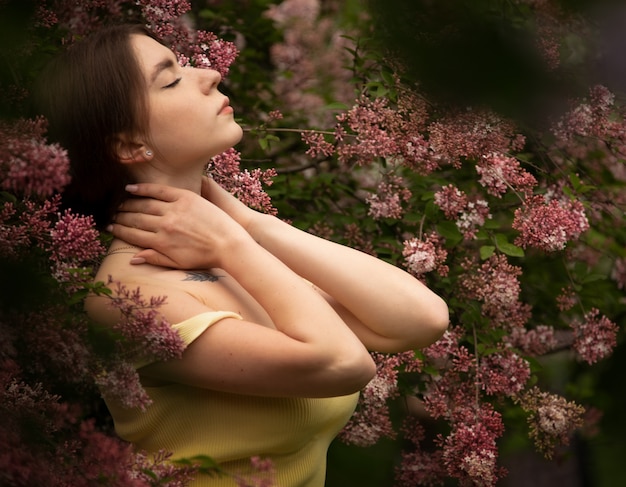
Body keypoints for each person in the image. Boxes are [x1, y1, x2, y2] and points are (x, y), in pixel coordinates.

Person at [36, 24, 449, 487]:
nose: (209, 73)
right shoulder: (128, 297)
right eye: (170, 80)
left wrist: (248, 223)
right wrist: (234, 244)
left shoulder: (226, 252)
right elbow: (343, 364)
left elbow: (422, 317)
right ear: (131, 144)